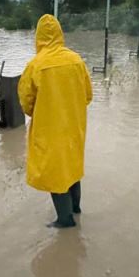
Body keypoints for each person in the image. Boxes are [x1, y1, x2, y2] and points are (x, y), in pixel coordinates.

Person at [18, 14, 93, 228]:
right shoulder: (76, 60)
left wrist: (45, 111)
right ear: (60, 33)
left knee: (54, 172)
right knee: (72, 167)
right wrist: (71, 108)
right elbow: (88, 95)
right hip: (74, 126)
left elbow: (26, 103)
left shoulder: (35, 66)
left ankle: (65, 219)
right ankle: (75, 208)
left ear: (39, 37)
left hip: (49, 129)